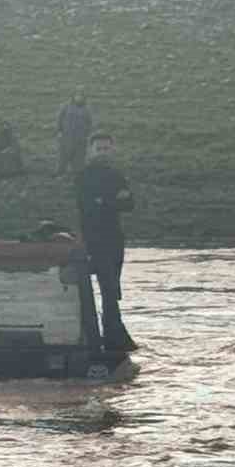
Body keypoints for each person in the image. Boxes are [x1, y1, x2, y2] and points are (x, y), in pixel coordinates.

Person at [75, 132, 136, 353]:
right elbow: (88, 206)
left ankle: (111, 334)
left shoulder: (116, 175)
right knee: (107, 287)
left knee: (113, 287)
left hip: (115, 238)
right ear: (90, 151)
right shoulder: (84, 176)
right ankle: (110, 336)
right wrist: (113, 200)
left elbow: (130, 204)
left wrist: (104, 201)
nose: (102, 152)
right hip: (93, 238)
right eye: (99, 148)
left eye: (106, 148)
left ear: (112, 150)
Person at [56, 91, 94, 177]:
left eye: (81, 96)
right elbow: (59, 119)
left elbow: (90, 123)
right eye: (77, 96)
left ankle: (77, 175)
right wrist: (59, 131)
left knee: (79, 159)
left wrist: (87, 135)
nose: (79, 98)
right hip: (66, 136)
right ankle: (60, 173)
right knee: (63, 156)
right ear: (73, 97)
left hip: (80, 139)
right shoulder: (66, 107)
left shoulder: (87, 110)